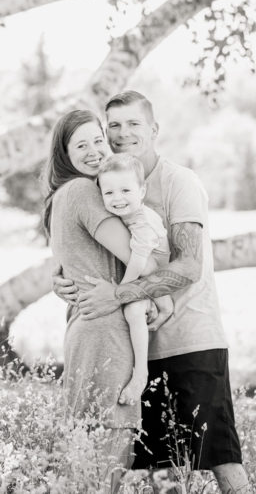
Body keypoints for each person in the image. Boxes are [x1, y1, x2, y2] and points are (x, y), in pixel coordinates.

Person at [54, 91, 250, 494]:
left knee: (220, 458)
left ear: (154, 129)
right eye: (114, 126)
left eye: (134, 124)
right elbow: (93, 253)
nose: (122, 133)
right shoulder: (105, 185)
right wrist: (61, 280)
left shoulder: (179, 181)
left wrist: (119, 295)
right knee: (157, 473)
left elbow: (189, 266)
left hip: (190, 339)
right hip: (138, 347)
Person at [42, 109, 145, 490]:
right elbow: (140, 258)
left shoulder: (67, 196)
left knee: (86, 463)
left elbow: (77, 264)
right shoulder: (84, 191)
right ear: (64, 155)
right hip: (106, 335)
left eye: (98, 140)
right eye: (80, 144)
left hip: (88, 332)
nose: (94, 151)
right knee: (106, 463)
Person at [95, 153, 174, 405]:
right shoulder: (127, 213)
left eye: (125, 190)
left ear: (142, 191)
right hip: (149, 272)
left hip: (155, 271)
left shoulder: (142, 221)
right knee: (137, 308)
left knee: (132, 309)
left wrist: (122, 291)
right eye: (109, 193)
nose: (117, 198)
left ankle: (141, 374)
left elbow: (139, 262)